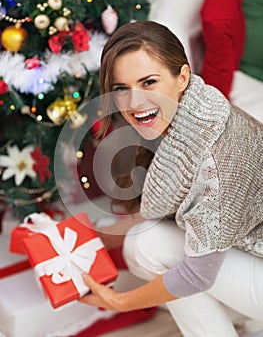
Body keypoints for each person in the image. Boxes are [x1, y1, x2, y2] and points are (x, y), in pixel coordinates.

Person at [78, 20, 263, 337]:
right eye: (122, 89)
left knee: (144, 247)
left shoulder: (213, 162)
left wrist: (120, 301)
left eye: (148, 82)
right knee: (143, 236)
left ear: (182, 77)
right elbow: (177, 210)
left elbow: (197, 275)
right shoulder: (198, 113)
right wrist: (98, 237)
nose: (134, 103)